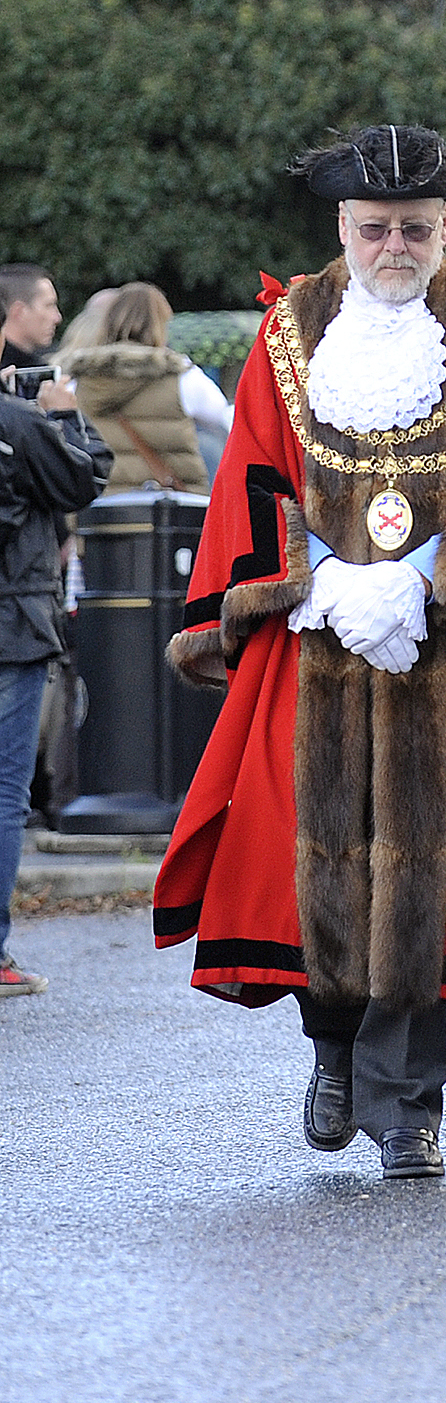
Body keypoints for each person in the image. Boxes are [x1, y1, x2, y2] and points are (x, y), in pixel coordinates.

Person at [155, 125, 446, 1179]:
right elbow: (253, 479)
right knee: (310, 857)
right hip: (311, 642)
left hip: (434, 653)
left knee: (429, 878)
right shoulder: (285, 332)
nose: (395, 245)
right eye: (376, 229)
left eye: (416, 227)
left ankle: (411, 1105)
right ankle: (331, 1053)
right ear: (343, 229)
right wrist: (316, 579)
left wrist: (418, 582)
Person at [0, 338, 111, 998]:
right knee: (5, 791)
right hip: (12, 627)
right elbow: (83, 475)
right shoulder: (16, 423)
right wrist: (64, 412)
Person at [56, 282, 219, 494]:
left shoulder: (78, 380)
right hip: (170, 511)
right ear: (161, 324)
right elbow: (227, 420)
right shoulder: (182, 377)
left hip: (103, 509)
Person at [0, 265, 61, 372]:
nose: (57, 318)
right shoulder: (37, 375)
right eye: (49, 305)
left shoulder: (39, 367)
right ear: (19, 311)